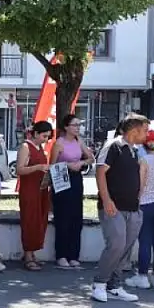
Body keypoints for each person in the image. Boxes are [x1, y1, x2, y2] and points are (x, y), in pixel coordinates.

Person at [92, 114, 149, 303]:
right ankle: (99, 284)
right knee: (115, 244)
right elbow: (100, 172)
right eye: (145, 130)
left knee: (125, 248)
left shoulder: (135, 150)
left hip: (132, 207)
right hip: (113, 207)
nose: (147, 134)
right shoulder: (113, 146)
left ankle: (114, 285)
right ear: (134, 130)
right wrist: (107, 200)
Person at [127, 130, 154, 290]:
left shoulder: (144, 160)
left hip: (146, 203)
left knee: (145, 240)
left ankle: (143, 276)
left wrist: (136, 200)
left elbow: (141, 183)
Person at [49, 113, 94, 269]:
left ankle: (74, 255)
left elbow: (91, 158)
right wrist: (67, 165)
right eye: (74, 125)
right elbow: (52, 165)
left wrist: (81, 162)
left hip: (76, 178)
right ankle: (61, 254)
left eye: (78, 125)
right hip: (62, 179)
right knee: (63, 218)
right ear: (66, 127)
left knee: (76, 217)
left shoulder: (78, 141)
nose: (77, 128)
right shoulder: (59, 143)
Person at [16, 121, 53, 271]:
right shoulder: (26, 147)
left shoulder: (40, 148)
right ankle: (28, 254)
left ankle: (32, 253)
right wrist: (38, 167)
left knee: (39, 220)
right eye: (44, 136)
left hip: (41, 189)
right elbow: (19, 169)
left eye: (48, 137)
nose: (46, 139)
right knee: (29, 220)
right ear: (36, 133)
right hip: (29, 190)